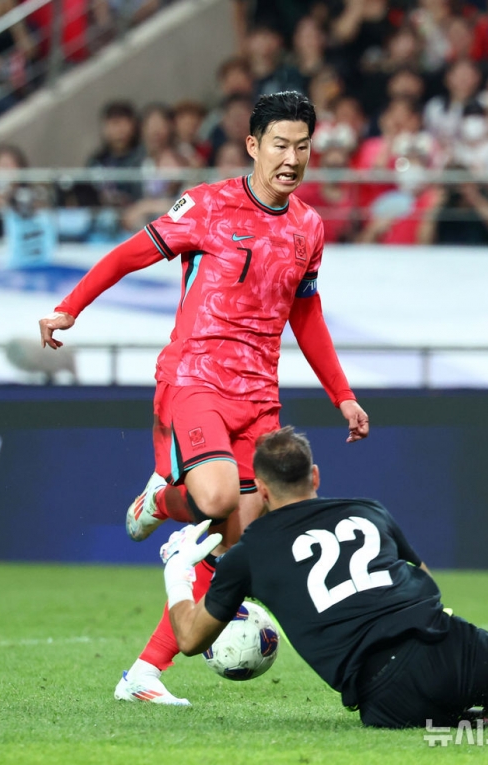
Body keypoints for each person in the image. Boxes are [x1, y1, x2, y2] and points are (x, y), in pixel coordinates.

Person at [38, 91, 369, 705]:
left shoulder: (308, 228)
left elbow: (307, 313)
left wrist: (341, 396)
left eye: (302, 146)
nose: (292, 157)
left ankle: (143, 675)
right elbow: (130, 254)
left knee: (240, 539)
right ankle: (164, 499)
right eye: (280, 144)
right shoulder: (209, 205)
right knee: (216, 499)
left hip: (258, 396)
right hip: (197, 377)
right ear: (253, 145)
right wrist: (68, 307)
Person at [161, 426, 488, 728]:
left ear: (261, 490)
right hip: (449, 648)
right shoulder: (369, 511)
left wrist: (178, 571)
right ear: (314, 476)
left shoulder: (248, 555)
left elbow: (190, 639)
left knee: (467, 724)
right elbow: (424, 579)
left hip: (388, 698)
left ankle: (485, 723)